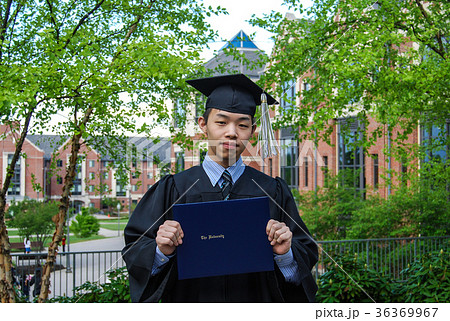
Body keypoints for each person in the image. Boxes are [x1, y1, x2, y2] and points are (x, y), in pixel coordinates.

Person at [122, 74, 318, 302]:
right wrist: (160, 251)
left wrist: (285, 254)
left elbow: (302, 265)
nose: (232, 132)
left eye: (242, 125)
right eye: (222, 122)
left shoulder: (271, 191)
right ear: (203, 125)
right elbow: (135, 253)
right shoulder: (173, 189)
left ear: (253, 131)